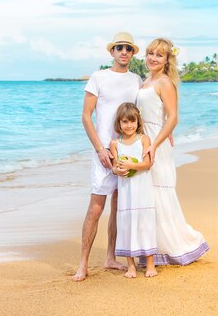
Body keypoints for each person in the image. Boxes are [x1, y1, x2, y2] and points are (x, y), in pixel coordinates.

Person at [72, 32, 143, 282]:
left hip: (127, 154)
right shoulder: (98, 77)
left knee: (118, 207)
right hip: (103, 154)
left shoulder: (137, 80)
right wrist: (100, 149)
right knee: (96, 208)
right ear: (111, 52)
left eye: (128, 48)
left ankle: (110, 257)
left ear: (133, 53)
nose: (124, 52)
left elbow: (141, 115)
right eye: (119, 48)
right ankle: (83, 264)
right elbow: (86, 116)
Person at [136, 38, 209, 266]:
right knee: (148, 194)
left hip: (156, 143)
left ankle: (176, 246)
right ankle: (152, 248)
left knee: (160, 191)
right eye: (150, 53)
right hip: (145, 139)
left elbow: (173, 116)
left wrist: (155, 144)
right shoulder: (147, 80)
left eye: (159, 55)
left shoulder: (165, 82)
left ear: (167, 60)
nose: (153, 58)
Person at [110, 102, 157, 278]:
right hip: (126, 191)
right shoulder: (115, 143)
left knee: (145, 223)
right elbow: (114, 166)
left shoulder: (143, 139)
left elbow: (147, 164)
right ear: (119, 123)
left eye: (132, 121)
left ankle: (150, 263)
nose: (129, 125)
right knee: (127, 224)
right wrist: (118, 170)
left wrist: (131, 165)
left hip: (142, 189)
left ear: (138, 121)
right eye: (125, 122)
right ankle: (131, 265)